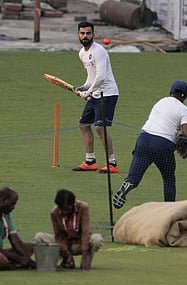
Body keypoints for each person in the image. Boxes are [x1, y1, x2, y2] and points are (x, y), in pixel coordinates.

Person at [113, 80, 187, 209]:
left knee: (134, 177)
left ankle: (127, 185)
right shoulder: (184, 110)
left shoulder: (161, 102)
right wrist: (185, 140)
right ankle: (169, 209)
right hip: (163, 145)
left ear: (170, 92)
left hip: (143, 140)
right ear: (185, 96)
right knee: (169, 179)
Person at [73, 21, 119, 174]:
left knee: (100, 127)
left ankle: (112, 163)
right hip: (95, 93)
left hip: (108, 94)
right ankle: (90, 161)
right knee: (83, 123)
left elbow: (101, 76)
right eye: (82, 33)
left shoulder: (99, 51)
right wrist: (84, 87)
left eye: (88, 33)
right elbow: (91, 77)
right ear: (78, 35)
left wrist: (87, 93)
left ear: (93, 34)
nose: (85, 36)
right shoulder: (82, 53)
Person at [34, 189, 103, 271]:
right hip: (63, 244)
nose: (65, 212)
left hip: (80, 243)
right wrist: (67, 253)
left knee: (97, 239)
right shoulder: (54, 213)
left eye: (67, 209)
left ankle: (87, 262)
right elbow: (59, 236)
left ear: (73, 204)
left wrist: (84, 254)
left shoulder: (83, 207)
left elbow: (85, 232)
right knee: (39, 237)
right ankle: (52, 262)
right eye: (62, 209)